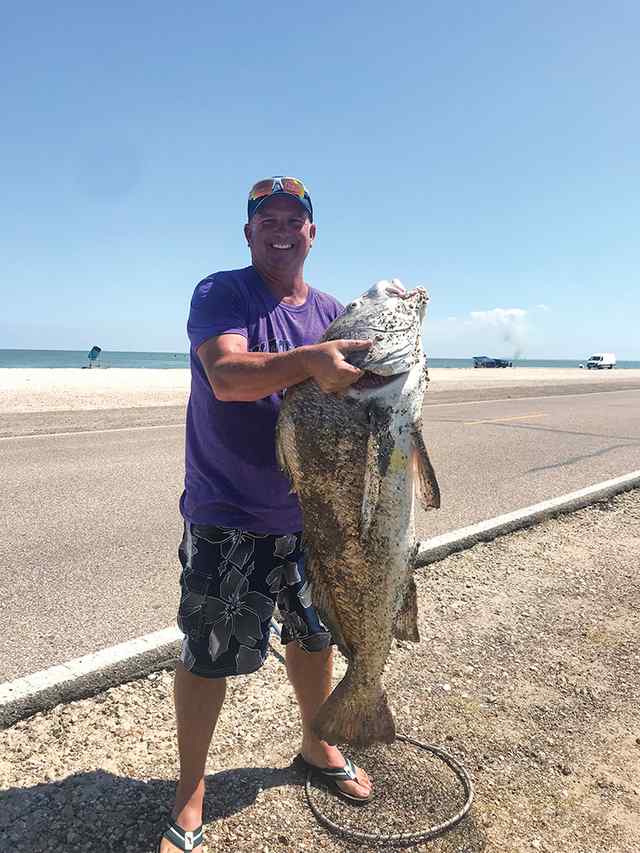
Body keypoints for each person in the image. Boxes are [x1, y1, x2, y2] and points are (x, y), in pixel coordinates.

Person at [158, 176, 373, 853]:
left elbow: (358, 404)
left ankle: (317, 744)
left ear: (312, 232)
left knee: (314, 638)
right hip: (228, 510)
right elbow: (226, 374)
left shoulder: (334, 310)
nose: (281, 229)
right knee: (210, 652)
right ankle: (191, 789)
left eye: (293, 219)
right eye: (267, 219)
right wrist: (310, 360)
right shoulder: (221, 292)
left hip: (312, 515)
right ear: (248, 233)